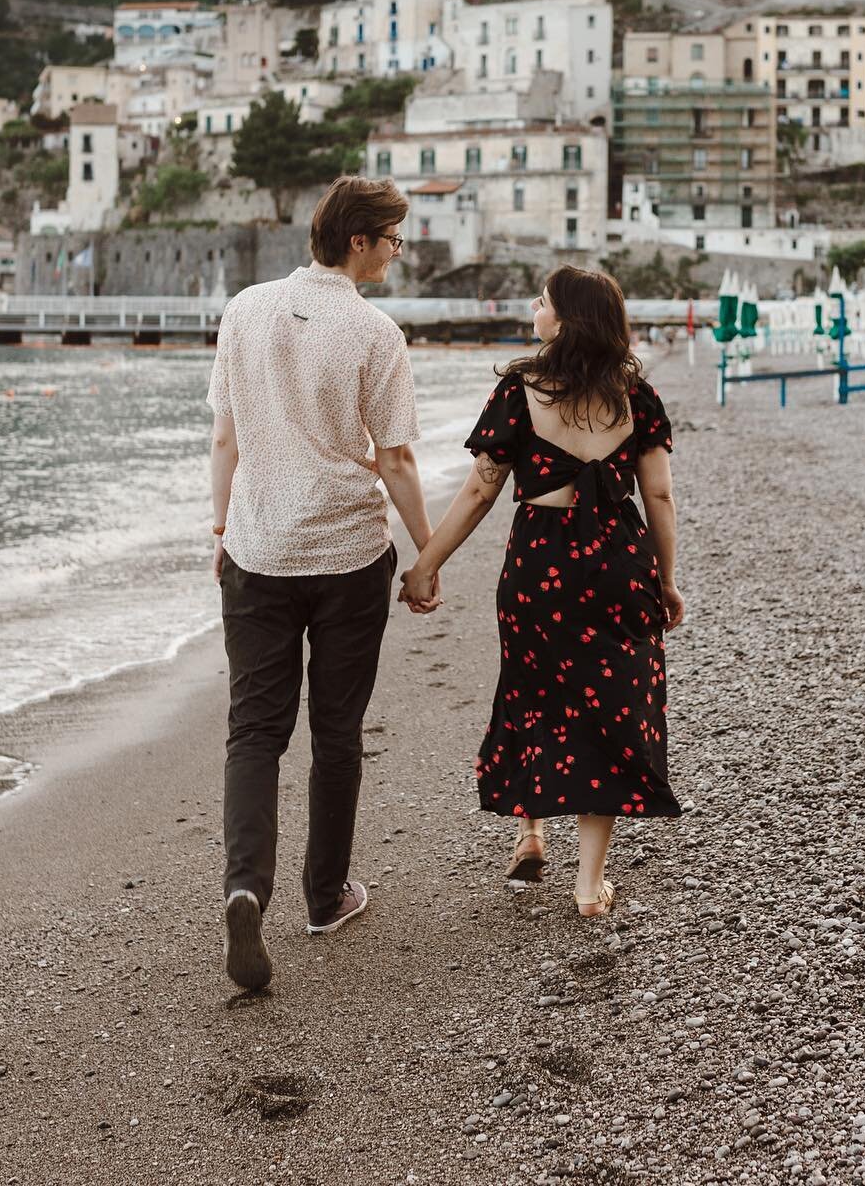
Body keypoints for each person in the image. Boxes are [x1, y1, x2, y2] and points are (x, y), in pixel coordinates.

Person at [400, 265, 683, 917]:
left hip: (540, 563)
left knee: (534, 689)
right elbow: (660, 494)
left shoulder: (519, 388)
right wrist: (666, 580)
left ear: (566, 318)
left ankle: (531, 829)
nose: (534, 306)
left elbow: (479, 489)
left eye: (543, 300)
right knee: (611, 709)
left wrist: (426, 565)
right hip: (618, 562)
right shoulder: (637, 395)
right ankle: (588, 884)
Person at [207, 176, 433, 991]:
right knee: (336, 731)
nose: (399, 254)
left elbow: (227, 435)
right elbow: (399, 459)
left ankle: (245, 887)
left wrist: (221, 528)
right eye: (395, 239)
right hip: (345, 554)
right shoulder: (374, 331)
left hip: (258, 549)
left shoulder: (243, 309)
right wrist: (428, 552)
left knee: (254, 732)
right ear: (361, 240)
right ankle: (324, 897)